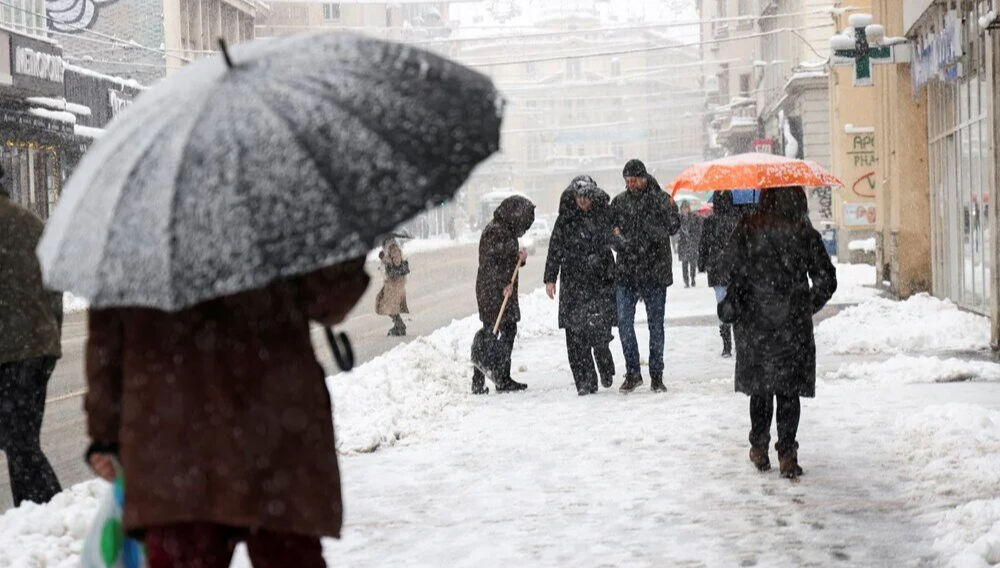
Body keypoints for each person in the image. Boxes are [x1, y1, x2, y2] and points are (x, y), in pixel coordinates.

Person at [85, 258, 371, 568]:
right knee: (288, 555)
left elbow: (107, 341)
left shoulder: (136, 234)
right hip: (275, 429)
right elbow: (330, 299)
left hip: (173, 439)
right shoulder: (274, 215)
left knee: (185, 553)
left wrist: (105, 433)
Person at [720, 187, 837, 479]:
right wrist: (806, 304)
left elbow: (728, 268)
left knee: (760, 389)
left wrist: (739, 297)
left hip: (755, 322)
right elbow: (826, 278)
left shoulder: (748, 226)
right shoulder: (803, 230)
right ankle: (787, 453)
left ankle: (759, 447)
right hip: (792, 325)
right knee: (788, 391)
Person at [0, 166, 64, 507]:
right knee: (19, 440)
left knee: (19, 442)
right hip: (37, 349)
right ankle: (33, 514)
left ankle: (52, 509)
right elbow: (54, 288)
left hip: (10, 354)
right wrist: (50, 338)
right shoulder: (31, 222)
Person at [610, 159, 681, 393]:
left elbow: (673, 225)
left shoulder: (662, 200)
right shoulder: (619, 202)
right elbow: (610, 231)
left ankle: (656, 374)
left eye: (633, 180)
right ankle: (632, 371)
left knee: (656, 325)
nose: (629, 185)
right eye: (626, 181)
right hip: (627, 272)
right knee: (623, 323)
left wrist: (649, 233)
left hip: (655, 271)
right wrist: (621, 241)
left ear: (643, 178)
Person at [544, 176, 617, 396]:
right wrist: (550, 278)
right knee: (575, 336)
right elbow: (555, 248)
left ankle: (604, 361)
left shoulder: (602, 216)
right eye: (579, 197)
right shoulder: (565, 220)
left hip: (599, 281)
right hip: (573, 283)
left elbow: (614, 241)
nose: (583, 201)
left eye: (587, 197)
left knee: (599, 332)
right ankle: (584, 382)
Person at [472, 195, 534, 395]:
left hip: (500, 290)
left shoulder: (504, 230)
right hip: (494, 291)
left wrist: (519, 259)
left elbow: (506, 260)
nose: (523, 229)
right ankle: (497, 378)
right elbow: (491, 264)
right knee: (495, 332)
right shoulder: (495, 232)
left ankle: (492, 378)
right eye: (523, 223)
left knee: (499, 331)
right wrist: (501, 286)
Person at [698, 191, 743, 358]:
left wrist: (701, 263)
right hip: (737, 268)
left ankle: (726, 346)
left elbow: (703, 245)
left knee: (723, 304)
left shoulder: (710, 221)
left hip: (717, 268)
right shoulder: (740, 219)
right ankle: (739, 341)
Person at [375, 238, 409, 337]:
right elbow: (391, 261)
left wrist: (385, 260)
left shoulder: (392, 247)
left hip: (395, 283)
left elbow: (397, 263)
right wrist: (383, 258)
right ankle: (399, 325)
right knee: (385, 303)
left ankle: (400, 326)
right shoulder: (388, 248)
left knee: (386, 304)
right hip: (391, 282)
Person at [677, 201, 702, 288]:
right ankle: (686, 281)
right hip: (683, 244)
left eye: (686, 207)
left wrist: (694, 238)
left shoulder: (694, 217)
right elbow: (676, 230)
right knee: (684, 263)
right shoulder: (679, 218)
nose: (685, 209)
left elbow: (698, 229)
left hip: (692, 243)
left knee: (693, 263)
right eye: (683, 208)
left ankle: (692, 278)